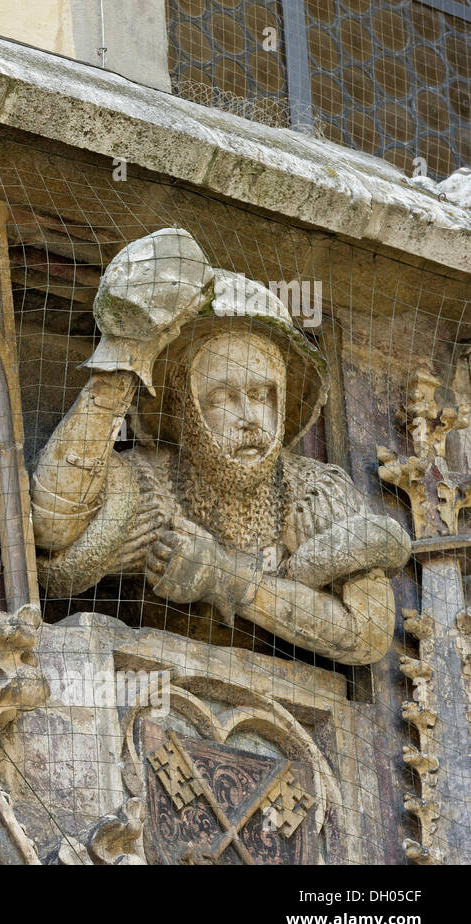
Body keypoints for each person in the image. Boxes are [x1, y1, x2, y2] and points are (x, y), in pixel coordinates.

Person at [31, 229, 409, 665]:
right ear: (182, 408)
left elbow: (367, 634)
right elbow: (50, 532)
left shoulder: (313, 490)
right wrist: (124, 359)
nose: (249, 417)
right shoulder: (147, 483)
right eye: (223, 397)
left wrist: (224, 577)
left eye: (263, 394)